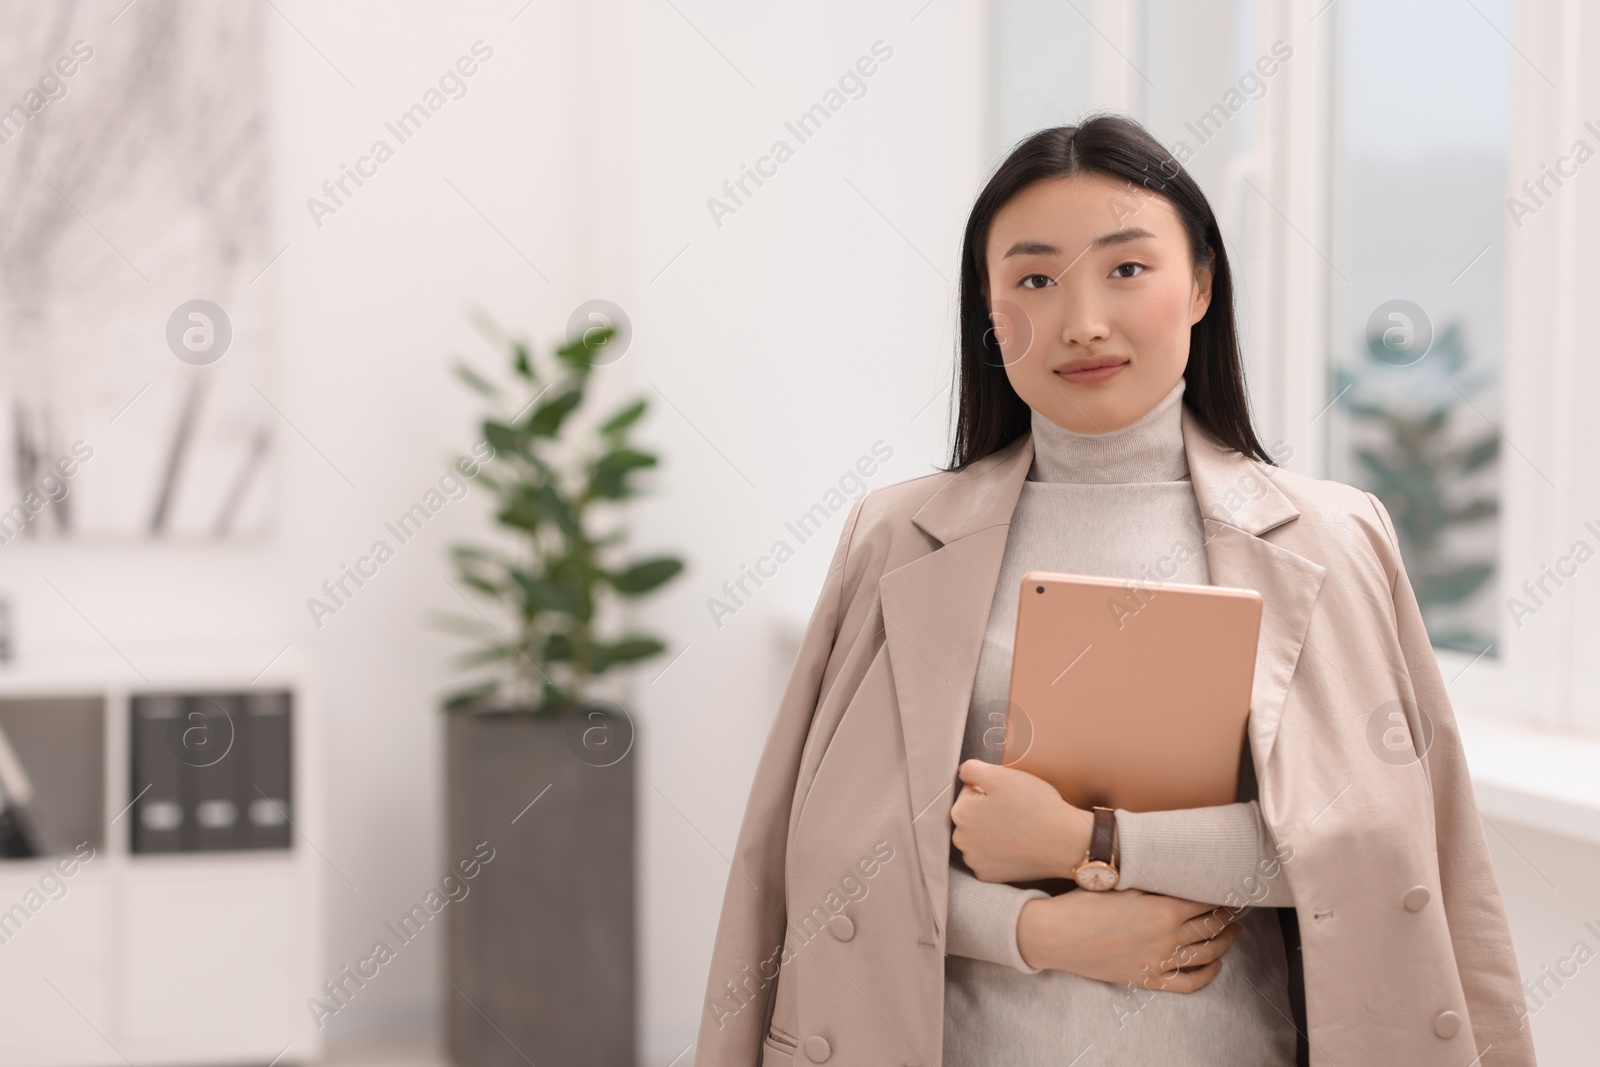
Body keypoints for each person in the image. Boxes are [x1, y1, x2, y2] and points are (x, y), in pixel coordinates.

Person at [695, 113, 1535, 1067]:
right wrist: (1037, 932)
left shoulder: (1335, 538)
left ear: (1202, 285)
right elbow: (835, 866)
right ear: (990, 309)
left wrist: (1088, 841)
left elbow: (1371, 849)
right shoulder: (894, 539)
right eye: (1035, 279)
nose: (1083, 319)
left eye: (1127, 269)